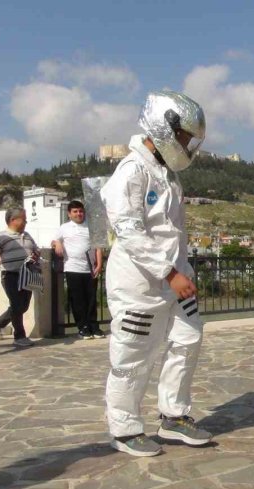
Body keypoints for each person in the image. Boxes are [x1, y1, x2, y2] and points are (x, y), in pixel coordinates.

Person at [100, 90, 212, 457]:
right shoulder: (132, 171)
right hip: (139, 282)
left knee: (187, 339)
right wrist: (168, 272)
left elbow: (172, 231)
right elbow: (128, 230)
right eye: (184, 136)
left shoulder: (167, 176)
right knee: (133, 354)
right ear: (164, 127)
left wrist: (183, 270)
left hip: (174, 278)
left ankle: (173, 414)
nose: (186, 145)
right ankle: (125, 427)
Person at [53, 200, 105, 339]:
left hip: (90, 269)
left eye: (81, 211)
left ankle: (94, 326)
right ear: (69, 214)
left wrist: (99, 265)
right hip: (72, 268)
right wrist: (57, 243)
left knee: (92, 299)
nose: (78, 214)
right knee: (78, 300)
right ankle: (83, 327)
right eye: (75, 211)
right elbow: (55, 240)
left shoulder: (91, 227)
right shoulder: (64, 228)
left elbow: (98, 247)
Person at [0, 208, 39, 348]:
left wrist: (36, 254)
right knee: (16, 304)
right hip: (10, 275)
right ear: (13, 220)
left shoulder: (28, 235)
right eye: (23, 219)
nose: (26, 222)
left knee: (22, 306)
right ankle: (19, 336)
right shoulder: (1, 237)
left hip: (27, 275)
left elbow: (35, 249)